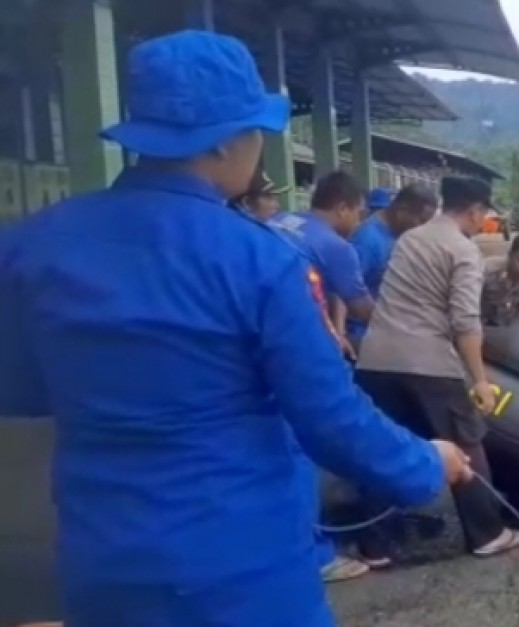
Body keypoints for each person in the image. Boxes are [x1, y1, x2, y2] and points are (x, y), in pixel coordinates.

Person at [0, 30, 473, 627]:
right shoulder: (260, 260)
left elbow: (17, 387)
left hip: (105, 563)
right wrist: (427, 463)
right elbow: (331, 419)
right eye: (256, 131)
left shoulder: (34, 245)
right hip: (243, 570)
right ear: (225, 141)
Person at [356, 175, 519, 557]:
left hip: (376, 359)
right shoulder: (463, 251)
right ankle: (487, 534)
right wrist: (479, 380)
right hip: (427, 362)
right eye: (484, 214)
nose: (483, 221)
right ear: (475, 211)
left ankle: (373, 546)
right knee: (466, 442)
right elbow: (465, 322)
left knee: (384, 448)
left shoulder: (410, 239)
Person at [270, 171, 372, 356]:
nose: (359, 222)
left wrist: (338, 332)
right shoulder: (336, 246)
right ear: (342, 209)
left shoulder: (279, 219)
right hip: (290, 335)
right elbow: (363, 310)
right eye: (359, 213)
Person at [347, 185, 437, 349]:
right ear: (402, 211)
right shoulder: (367, 240)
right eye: (421, 221)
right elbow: (345, 291)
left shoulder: (400, 235)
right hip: (364, 334)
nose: (422, 228)